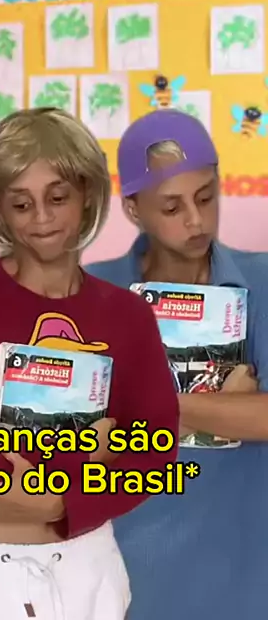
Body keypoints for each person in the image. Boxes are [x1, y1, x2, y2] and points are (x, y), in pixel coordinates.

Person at [0, 107, 179, 620]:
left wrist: (61, 503)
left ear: (87, 194)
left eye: (57, 198)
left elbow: (155, 449)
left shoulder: (127, 314)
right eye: (21, 203)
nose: (42, 219)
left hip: (91, 568)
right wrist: (73, 470)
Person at [86, 109, 268, 620]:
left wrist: (157, 405)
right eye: (172, 206)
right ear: (132, 208)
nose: (196, 221)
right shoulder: (93, 292)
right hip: (125, 580)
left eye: (206, 197)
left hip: (243, 581)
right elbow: (75, 437)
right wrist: (222, 406)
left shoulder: (262, 283)